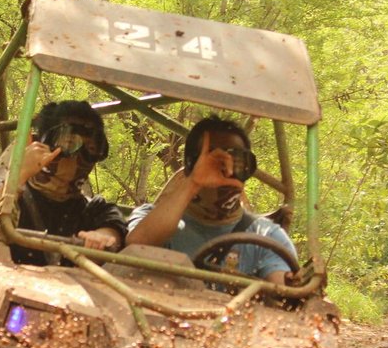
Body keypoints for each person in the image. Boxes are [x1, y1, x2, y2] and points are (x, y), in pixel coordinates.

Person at [126, 115, 296, 283]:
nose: (228, 174)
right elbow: (137, 246)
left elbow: (281, 290)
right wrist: (193, 182)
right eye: (216, 165)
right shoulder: (150, 218)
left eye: (238, 164)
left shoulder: (266, 236)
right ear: (191, 166)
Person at [0, 100, 125, 263]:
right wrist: (18, 177)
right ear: (39, 145)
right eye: (68, 144)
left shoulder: (95, 210)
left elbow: (113, 231)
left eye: (90, 149)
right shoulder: (1, 189)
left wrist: (101, 238)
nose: (76, 159)